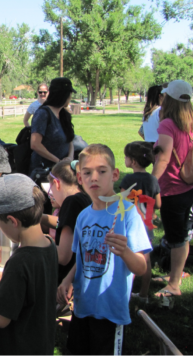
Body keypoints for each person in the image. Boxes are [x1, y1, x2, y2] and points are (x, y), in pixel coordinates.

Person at [57, 144, 151, 356]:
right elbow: (80, 258)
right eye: (87, 173)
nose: (94, 178)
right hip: (83, 307)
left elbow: (142, 268)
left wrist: (125, 252)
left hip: (110, 311)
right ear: (80, 179)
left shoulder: (127, 213)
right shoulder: (83, 217)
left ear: (115, 174)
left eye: (102, 171)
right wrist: (67, 280)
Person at [0, 174, 57, 355]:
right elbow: (32, 281)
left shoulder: (19, 262)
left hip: (17, 348)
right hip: (40, 344)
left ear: (13, 221)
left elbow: (1, 319)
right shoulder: (49, 245)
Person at [152, 80, 193, 298]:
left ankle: (173, 284)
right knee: (182, 235)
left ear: (169, 98)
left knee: (177, 237)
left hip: (173, 189)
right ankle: (176, 274)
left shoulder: (167, 125)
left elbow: (163, 158)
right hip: (190, 187)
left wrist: (151, 183)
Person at [120, 141, 161, 303]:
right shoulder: (152, 180)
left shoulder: (128, 179)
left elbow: (121, 203)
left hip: (129, 226)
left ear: (133, 161)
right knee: (146, 260)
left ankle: (125, 294)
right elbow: (158, 204)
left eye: (126, 157)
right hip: (147, 226)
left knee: (128, 259)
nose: (124, 159)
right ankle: (144, 294)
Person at [41, 159, 92, 285]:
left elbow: (64, 256)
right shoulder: (85, 198)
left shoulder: (71, 202)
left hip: (65, 282)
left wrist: (36, 242)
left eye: (50, 189)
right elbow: (65, 224)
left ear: (56, 183)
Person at [30, 77, 75, 174]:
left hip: (63, 169)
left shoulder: (64, 114)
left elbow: (70, 139)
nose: (70, 97)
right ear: (63, 95)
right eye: (69, 94)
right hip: (45, 171)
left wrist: (70, 158)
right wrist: (58, 162)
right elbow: (35, 144)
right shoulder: (43, 114)